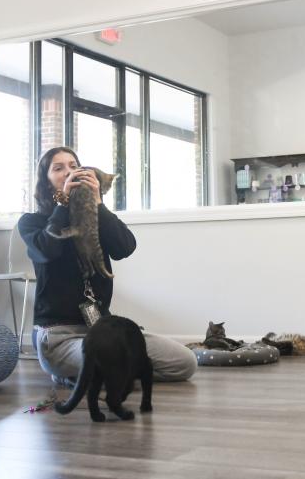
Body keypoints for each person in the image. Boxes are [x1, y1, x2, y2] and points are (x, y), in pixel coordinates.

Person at [18, 146, 197, 385]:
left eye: (74, 166)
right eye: (58, 168)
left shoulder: (94, 218)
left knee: (184, 362)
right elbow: (48, 249)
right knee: (113, 362)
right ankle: (84, 371)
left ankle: (92, 374)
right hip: (58, 338)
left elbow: (125, 247)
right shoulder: (32, 222)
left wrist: (98, 203)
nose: (69, 172)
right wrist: (63, 204)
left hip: (101, 331)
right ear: (46, 181)